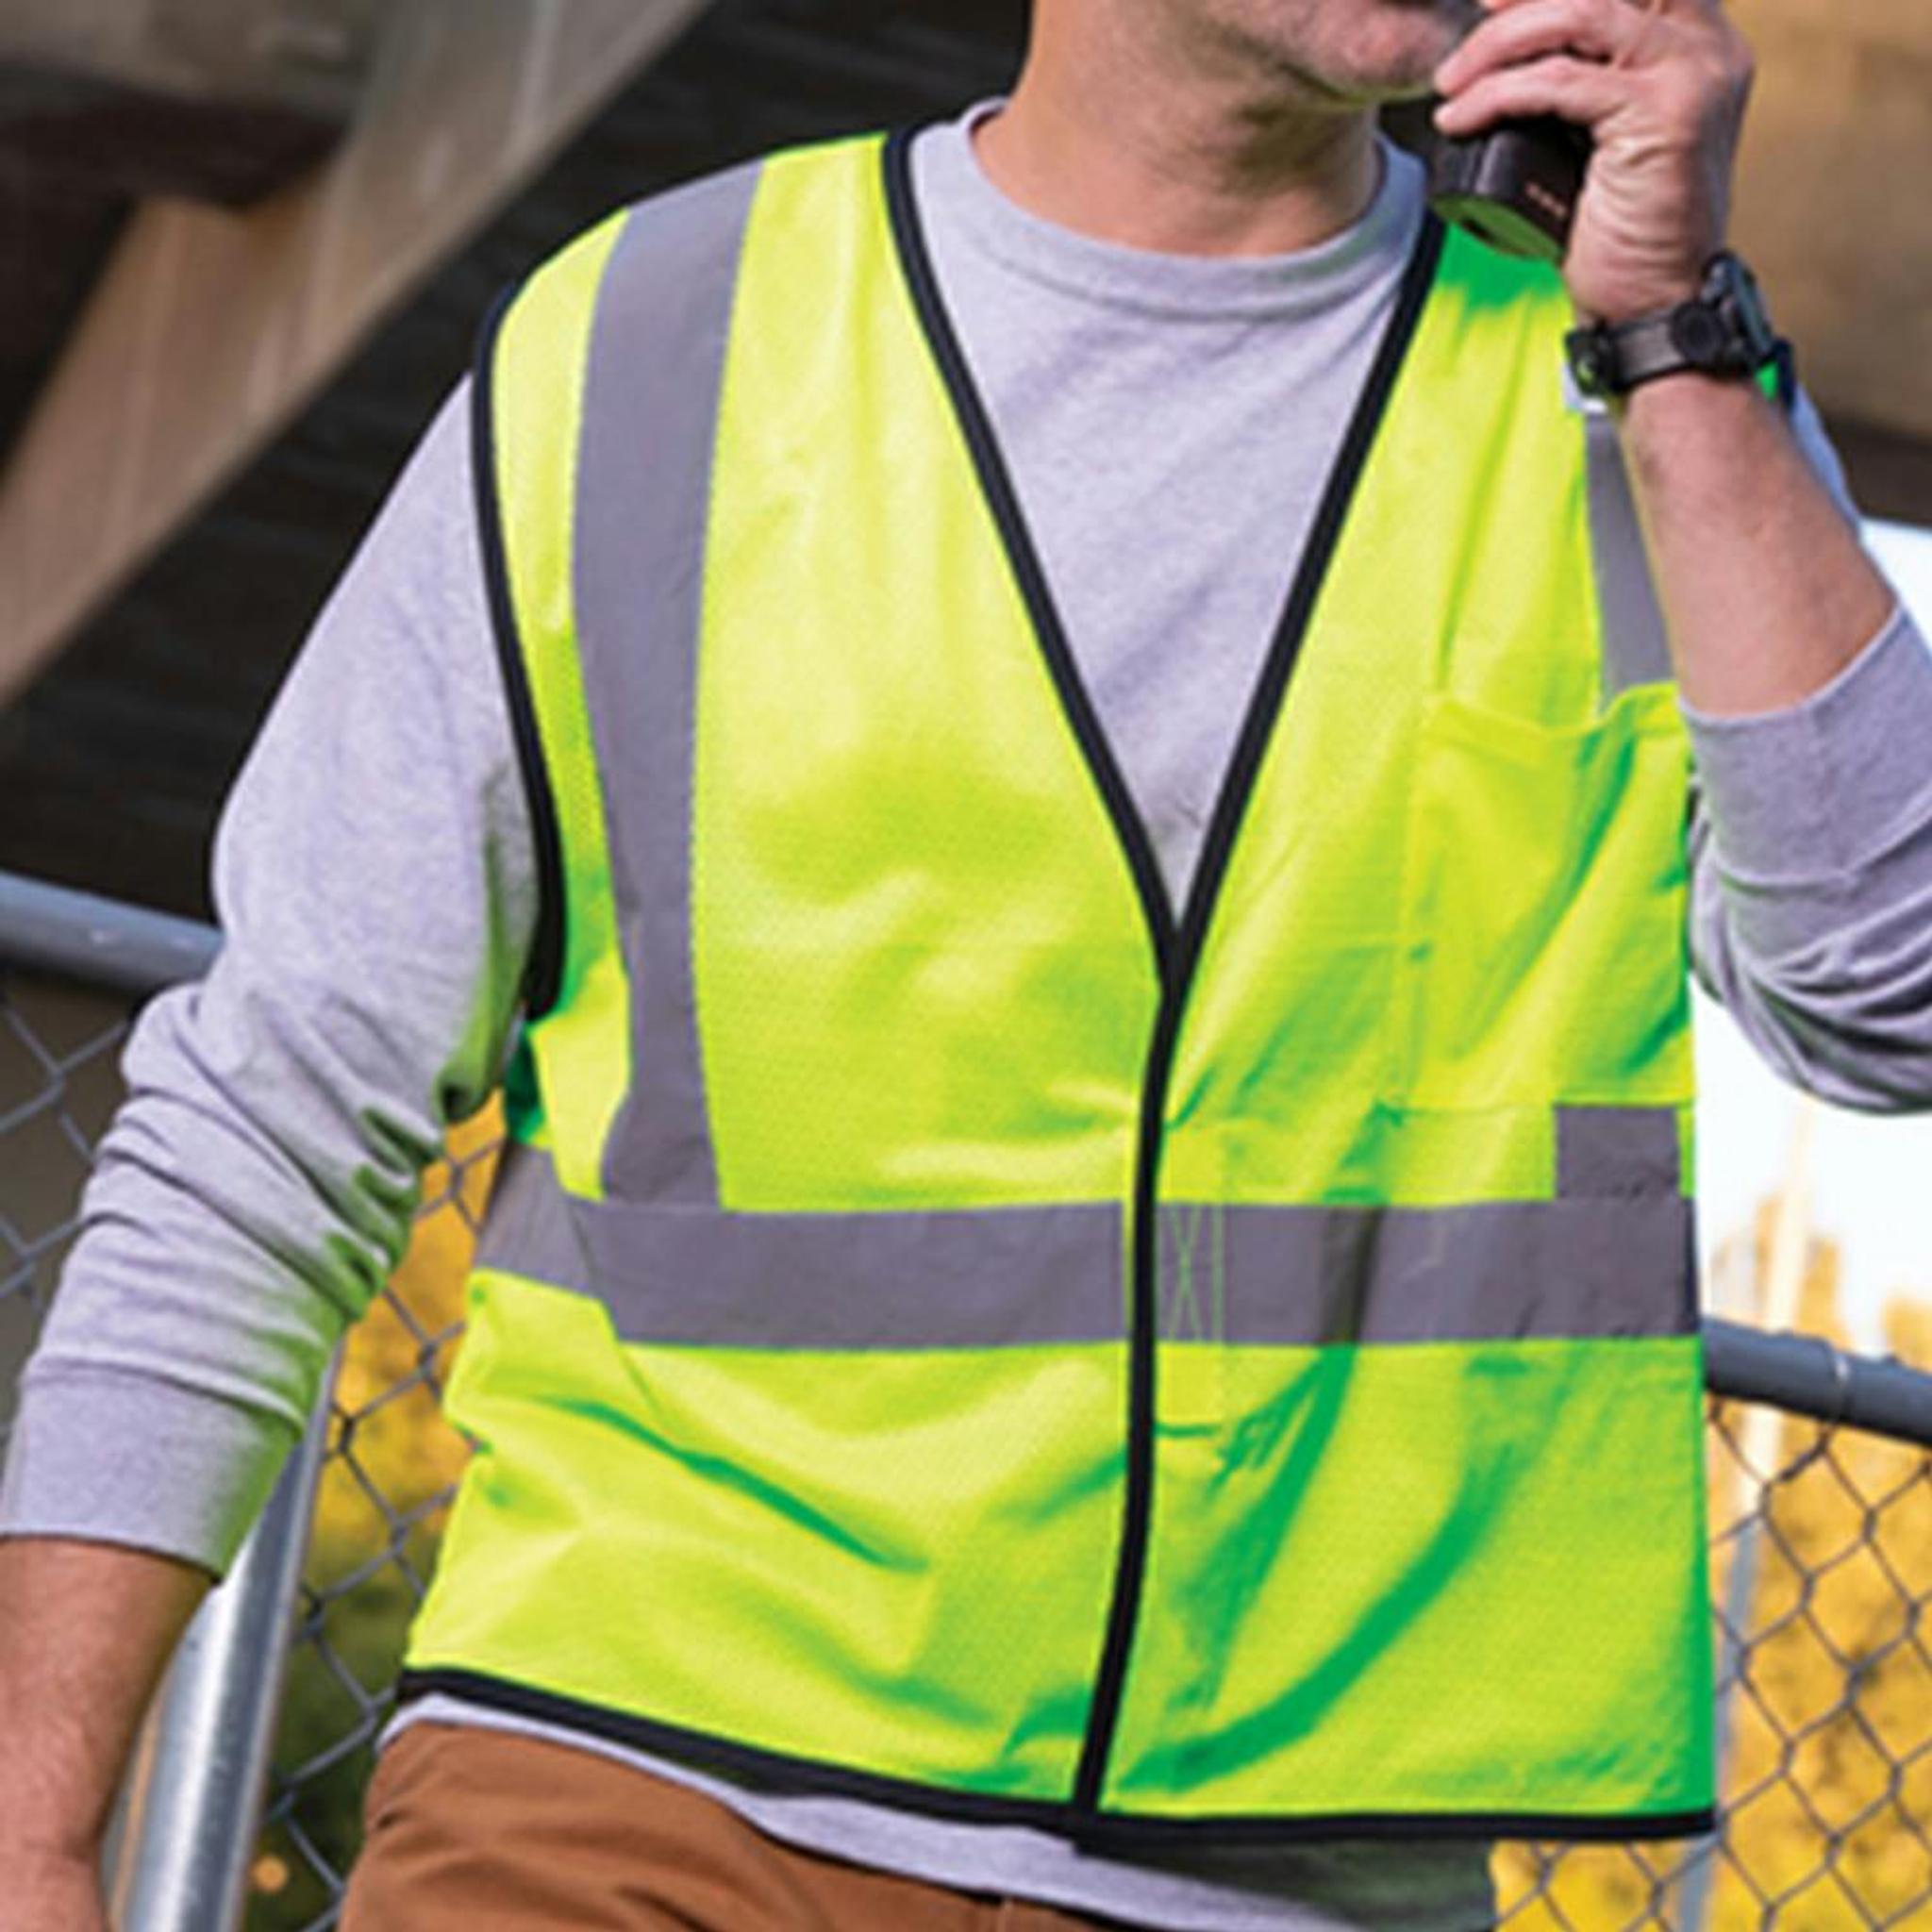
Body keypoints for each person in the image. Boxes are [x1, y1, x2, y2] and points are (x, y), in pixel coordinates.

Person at [2, 1, 1928, 1926]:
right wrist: (30, 1834)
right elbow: (268, 1122)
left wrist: (1681, 353)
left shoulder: (1636, 388)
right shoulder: (649, 341)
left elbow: (1886, 1005)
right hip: (630, 1796)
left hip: (1289, 1865)